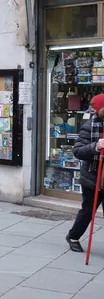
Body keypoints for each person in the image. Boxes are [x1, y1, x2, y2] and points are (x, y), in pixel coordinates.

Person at [67, 94, 104, 253]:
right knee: (88, 211)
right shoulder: (89, 126)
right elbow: (78, 151)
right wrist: (96, 146)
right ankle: (73, 236)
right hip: (93, 177)